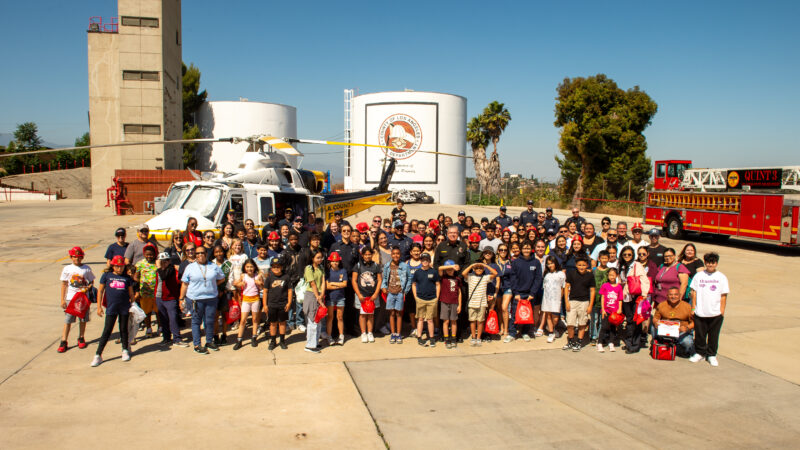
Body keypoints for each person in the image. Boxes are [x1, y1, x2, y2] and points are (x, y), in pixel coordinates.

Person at [179, 245, 226, 354]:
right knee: (196, 321)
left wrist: (212, 285)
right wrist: (181, 298)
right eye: (198, 253)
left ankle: (209, 341)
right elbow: (185, 284)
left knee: (210, 321)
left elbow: (222, 278)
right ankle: (197, 344)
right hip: (195, 299)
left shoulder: (213, 266)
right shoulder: (190, 267)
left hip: (211, 298)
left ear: (206, 254)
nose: (200, 255)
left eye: (202, 253)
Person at [92, 255, 134, 366]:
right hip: (111, 308)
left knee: (123, 329)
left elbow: (131, 293)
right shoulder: (107, 276)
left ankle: (125, 350)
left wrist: (133, 305)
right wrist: (99, 306)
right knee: (107, 331)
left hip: (124, 307)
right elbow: (100, 291)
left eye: (121, 266)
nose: (119, 269)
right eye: (117, 266)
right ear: (113, 266)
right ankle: (98, 354)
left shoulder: (127, 278)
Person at [689, 252, 729, 367]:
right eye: (708, 262)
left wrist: (722, 311)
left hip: (715, 313)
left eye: (713, 263)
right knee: (700, 335)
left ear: (716, 263)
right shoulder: (699, 276)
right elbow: (694, 293)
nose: (710, 265)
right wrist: (693, 307)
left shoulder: (721, 277)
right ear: (705, 263)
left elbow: (724, 295)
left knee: (713, 335)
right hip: (700, 311)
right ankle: (700, 353)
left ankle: (711, 354)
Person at [507, 241, 543, 343]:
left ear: (531, 249)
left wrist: (532, 293)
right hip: (518, 293)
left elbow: (538, 279)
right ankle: (512, 333)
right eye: (524, 249)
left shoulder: (536, 262)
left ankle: (525, 332)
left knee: (527, 314)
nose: (526, 250)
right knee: (514, 314)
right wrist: (516, 293)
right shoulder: (516, 262)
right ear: (521, 250)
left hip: (530, 294)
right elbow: (513, 278)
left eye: (528, 248)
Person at [619, 246, 650, 354]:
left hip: (636, 296)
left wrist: (644, 294)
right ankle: (629, 342)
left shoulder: (637, 265)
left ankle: (635, 345)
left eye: (629, 254)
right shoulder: (622, 266)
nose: (627, 256)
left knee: (636, 321)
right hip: (626, 296)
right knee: (629, 320)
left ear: (633, 255)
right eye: (625, 255)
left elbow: (645, 280)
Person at [563, 256, 596, 351]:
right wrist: (566, 302)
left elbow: (592, 291)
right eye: (579, 265)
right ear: (576, 265)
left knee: (582, 323)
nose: (581, 267)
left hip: (584, 302)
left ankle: (579, 342)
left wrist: (590, 305)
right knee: (570, 323)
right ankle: (571, 341)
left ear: (587, 265)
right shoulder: (571, 274)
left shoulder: (590, 275)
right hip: (572, 301)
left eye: (584, 265)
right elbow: (566, 287)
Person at [462, 262, 497, 346]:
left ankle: (478, 338)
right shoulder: (470, 277)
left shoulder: (485, 278)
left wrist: (485, 265)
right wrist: (471, 265)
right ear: (474, 269)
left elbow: (495, 273)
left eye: (480, 268)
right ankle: (473, 337)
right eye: (477, 268)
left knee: (480, 321)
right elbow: (463, 273)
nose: (478, 270)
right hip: (472, 303)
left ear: (483, 269)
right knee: (472, 321)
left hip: (482, 303)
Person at [381, 246, 411, 344]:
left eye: (397, 253)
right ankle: (393, 333)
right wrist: (384, 287)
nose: (396, 255)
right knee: (391, 313)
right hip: (390, 293)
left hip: (399, 293)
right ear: (391, 254)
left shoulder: (404, 266)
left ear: (400, 255)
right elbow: (385, 278)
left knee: (399, 313)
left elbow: (409, 278)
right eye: (393, 253)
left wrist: (405, 291)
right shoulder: (387, 266)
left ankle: (398, 334)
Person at [154, 251, 185, 347]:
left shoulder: (171, 269)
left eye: (166, 260)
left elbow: (164, 276)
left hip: (170, 298)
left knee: (173, 318)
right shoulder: (158, 271)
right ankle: (166, 338)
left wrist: (159, 267)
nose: (164, 263)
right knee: (163, 319)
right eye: (162, 261)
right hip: (159, 297)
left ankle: (177, 338)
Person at [653, 287, 695, 356]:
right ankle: (659, 342)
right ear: (667, 296)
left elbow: (694, 323)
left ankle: (676, 348)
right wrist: (656, 323)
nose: (673, 297)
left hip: (681, 331)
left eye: (676, 295)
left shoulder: (687, 307)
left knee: (687, 343)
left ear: (679, 295)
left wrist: (687, 328)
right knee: (652, 327)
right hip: (666, 331)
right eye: (671, 295)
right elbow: (655, 318)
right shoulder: (662, 305)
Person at [232, 259, 264, 350]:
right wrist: (239, 284)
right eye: (247, 267)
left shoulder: (257, 276)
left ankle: (254, 337)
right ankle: (239, 339)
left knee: (255, 319)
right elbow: (236, 284)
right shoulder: (243, 275)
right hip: (246, 299)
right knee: (243, 320)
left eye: (251, 267)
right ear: (244, 268)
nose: (249, 268)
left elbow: (262, 286)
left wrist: (259, 283)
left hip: (255, 299)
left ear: (254, 267)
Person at [353, 247, 382, 343]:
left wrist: (376, 293)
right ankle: (363, 333)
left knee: (370, 314)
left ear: (372, 255)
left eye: (369, 254)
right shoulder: (358, 265)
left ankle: (370, 332)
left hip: (372, 295)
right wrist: (359, 294)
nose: (367, 256)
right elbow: (354, 280)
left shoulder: (376, 266)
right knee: (362, 315)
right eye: (365, 254)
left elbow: (379, 280)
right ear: (362, 255)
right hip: (362, 295)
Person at [263, 257, 292, 350]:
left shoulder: (286, 277)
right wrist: (265, 305)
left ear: (282, 267)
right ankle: (273, 341)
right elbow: (265, 292)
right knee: (273, 323)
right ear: (271, 268)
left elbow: (290, 291)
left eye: (278, 266)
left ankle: (282, 341)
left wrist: (289, 302)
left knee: (282, 323)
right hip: (272, 304)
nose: (276, 268)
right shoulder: (269, 278)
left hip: (283, 304)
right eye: (274, 266)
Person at [413, 253, 440, 347]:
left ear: (429, 261)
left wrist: (437, 297)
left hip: (432, 299)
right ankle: (419, 337)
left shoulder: (434, 272)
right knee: (420, 319)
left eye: (426, 260)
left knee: (430, 320)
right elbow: (414, 284)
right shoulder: (417, 272)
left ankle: (432, 338)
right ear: (421, 261)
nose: (425, 261)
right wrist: (415, 296)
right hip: (420, 298)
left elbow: (437, 284)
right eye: (423, 260)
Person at [302, 249, 326, 353]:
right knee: (312, 321)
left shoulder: (321, 267)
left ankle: (315, 342)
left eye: (321, 257)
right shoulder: (308, 268)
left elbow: (323, 281)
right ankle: (310, 345)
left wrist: (322, 294)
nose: (320, 259)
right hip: (312, 295)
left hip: (320, 295)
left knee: (318, 320)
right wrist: (318, 297)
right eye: (318, 257)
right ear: (312, 258)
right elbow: (312, 284)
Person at [133, 243, 159, 339]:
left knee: (158, 311)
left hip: (156, 292)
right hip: (145, 292)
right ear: (144, 254)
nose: (149, 256)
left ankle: (160, 327)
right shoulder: (140, 264)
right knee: (147, 312)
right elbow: (135, 277)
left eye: (151, 254)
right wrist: (140, 285)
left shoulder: (157, 263)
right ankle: (148, 328)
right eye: (147, 254)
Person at [539, 256, 565, 343]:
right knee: (548, 315)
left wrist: (560, 297)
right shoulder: (546, 274)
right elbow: (544, 286)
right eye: (548, 263)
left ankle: (553, 328)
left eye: (552, 263)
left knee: (556, 318)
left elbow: (563, 287)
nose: (550, 265)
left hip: (556, 298)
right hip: (547, 297)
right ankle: (551, 332)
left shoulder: (561, 274)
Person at [437, 260, 462, 349]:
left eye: (451, 269)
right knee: (446, 321)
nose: (449, 270)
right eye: (448, 269)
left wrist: (460, 305)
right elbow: (439, 268)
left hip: (454, 302)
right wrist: (450, 266)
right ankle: (446, 338)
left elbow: (459, 293)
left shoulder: (457, 279)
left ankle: (453, 338)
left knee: (453, 321)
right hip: (444, 302)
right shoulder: (443, 277)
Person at [597, 268, 623, 352]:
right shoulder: (605, 285)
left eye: (613, 275)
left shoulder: (619, 287)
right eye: (610, 275)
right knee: (604, 326)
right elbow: (602, 297)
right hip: (606, 310)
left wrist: (620, 308)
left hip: (615, 312)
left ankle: (611, 342)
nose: (611, 277)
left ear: (617, 276)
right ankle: (600, 343)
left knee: (613, 328)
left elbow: (620, 299)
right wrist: (603, 309)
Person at [211, 244, 232, 345]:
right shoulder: (211, 264)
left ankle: (224, 335)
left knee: (224, 316)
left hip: (224, 293)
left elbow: (231, 279)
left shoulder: (228, 264)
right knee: (215, 316)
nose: (219, 253)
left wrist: (224, 290)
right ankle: (216, 336)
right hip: (213, 293)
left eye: (220, 251)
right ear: (214, 253)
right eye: (216, 252)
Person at [325, 252, 347, 346]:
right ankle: (329, 336)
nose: (335, 263)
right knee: (330, 317)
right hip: (330, 298)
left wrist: (333, 284)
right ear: (330, 262)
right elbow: (327, 286)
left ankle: (341, 336)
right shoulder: (327, 272)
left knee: (340, 317)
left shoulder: (343, 271)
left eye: (337, 261)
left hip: (340, 297)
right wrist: (338, 285)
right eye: (333, 261)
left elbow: (345, 284)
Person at [591, 250, 611, 345]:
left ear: (608, 259)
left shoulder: (609, 271)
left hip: (605, 300)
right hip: (595, 298)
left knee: (602, 320)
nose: (604, 260)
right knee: (594, 318)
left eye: (605, 258)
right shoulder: (594, 270)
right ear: (599, 259)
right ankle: (593, 336)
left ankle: (600, 336)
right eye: (602, 258)